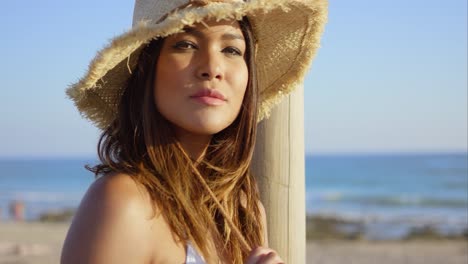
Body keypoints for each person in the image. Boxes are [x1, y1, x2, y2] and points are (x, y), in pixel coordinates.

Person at [61, 0, 327, 263]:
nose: (212, 68)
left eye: (232, 50)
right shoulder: (125, 202)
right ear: (146, 68)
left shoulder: (245, 208)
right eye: (186, 44)